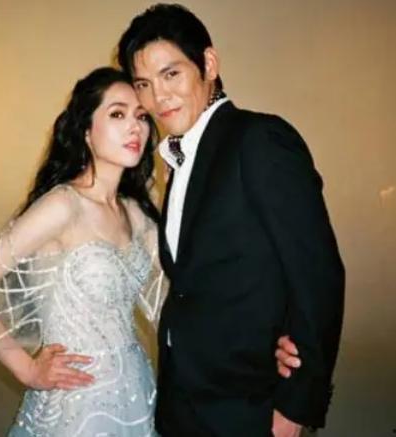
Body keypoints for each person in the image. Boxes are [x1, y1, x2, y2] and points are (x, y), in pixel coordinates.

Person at [117, 4, 345, 437]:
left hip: (250, 409)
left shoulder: (259, 139)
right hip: (183, 405)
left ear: (208, 64)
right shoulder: (179, 160)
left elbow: (317, 275)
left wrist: (296, 408)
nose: (158, 97)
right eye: (143, 84)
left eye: (171, 74)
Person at [0, 67, 164, 436]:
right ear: (86, 131)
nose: (135, 127)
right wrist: (27, 369)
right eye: (117, 114)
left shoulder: (134, 213)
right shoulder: (63, 205)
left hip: (139, 392)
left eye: (142, 116)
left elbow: (181, 294)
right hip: (78, 404)